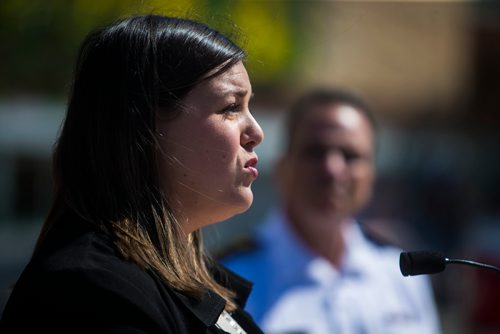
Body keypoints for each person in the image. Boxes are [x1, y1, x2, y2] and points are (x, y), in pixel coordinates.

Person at [0, 14, 264, 333]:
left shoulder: (184, 286)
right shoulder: (91, 290)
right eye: (230, 107)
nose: (255, 132)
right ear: (144, 127)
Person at [221, 88, 442, 333]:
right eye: (316, 152)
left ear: (372, 176)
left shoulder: (401, 275)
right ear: (282, 167)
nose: (332, 169)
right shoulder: (230, 280)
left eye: (350, 155)